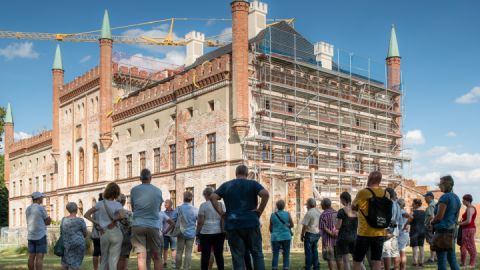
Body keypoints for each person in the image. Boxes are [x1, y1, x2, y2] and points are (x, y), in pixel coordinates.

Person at [210, 165, 269, 270]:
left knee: (237, 256)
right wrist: (259, 210)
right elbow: (265, 194)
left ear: (236, 173)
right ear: (247, 174)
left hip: (233, 225)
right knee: (257, 254)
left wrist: (222, 213)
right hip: (251, 222)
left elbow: (213, 197)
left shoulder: (227, 185)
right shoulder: (253, 184)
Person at [352, 171, 390, 270]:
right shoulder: (386, 194)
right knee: (376, 260)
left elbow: (353, 207)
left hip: (364, 232)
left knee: (357, 260)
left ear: (370, 179)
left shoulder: (363, 192)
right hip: (380, 232)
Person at [129, 168, 164, 270]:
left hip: (138, 224)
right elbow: (158, 209)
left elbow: (133, 208)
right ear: (150, 178)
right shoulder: (158, 191)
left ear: (140, 178)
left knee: (141, 258)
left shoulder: (134, 190)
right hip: (153, 225)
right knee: (157, 257)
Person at [85, 182, 124, 270]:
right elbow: (122, 216)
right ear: (116, 192)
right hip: (115, 232)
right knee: (113, 261)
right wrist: (114, 220)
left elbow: (86, 214)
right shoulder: (117, 204)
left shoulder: (100, 204)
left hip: (103, 232)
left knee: (104, 259)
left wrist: (97, 223)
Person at [431, 175, 461, 270]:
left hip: (442, 232)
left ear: (446, 185)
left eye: (440, 184)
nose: (439, 186)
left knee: (442, 262)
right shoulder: (457, 198)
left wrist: (431, 221)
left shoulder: (444, 197)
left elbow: (439, 216)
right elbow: (456, 217)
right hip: (452, 231)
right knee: (452, 260)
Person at [196, 187, 226, 270]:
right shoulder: (221, 204)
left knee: (205, 255)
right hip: (219, 232)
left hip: (206, 233)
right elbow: (224, 217)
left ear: (206, 195)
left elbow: (200, 222)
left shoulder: (203, 205)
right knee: (219, 255)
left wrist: (197, 232)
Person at [26, 192, 52, 270]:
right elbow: (47, 222)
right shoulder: (40, 208)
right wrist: (49, 219)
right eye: (41, 197)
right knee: (39, 257)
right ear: (38, 199)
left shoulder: (28, 208)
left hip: (30, 235)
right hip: (40, 235)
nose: (42, 199)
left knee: (31, 256)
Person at [173, 191, 198, 270]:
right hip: (191, 233)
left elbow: (172, 220)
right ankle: (186, 268)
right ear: (191, 199)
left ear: (183, 198)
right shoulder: (195, 209)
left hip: (181, 232)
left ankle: (177, 267)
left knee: (179, 252)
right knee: (188, 253)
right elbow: (199, 220)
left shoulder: (178, 208)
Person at [335, 192, 359, 270]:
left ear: (343, 200)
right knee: (358, 261)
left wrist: (335, 224)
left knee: (346, 261)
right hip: (354, 237)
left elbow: (338, 226)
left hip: (343, 238)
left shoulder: (341, 211)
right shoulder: (356, 210)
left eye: (340, 200)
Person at [61, 202, 87, 270]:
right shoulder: (80, 221)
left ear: (68, 210)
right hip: (78, 244)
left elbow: (62, 232)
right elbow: (85, 233)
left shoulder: (64, 220)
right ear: (76, 210)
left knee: (65, 263)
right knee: (76, 264)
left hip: (67, 244)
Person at [269, 199, 293, 270]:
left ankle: (274, 268)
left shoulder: (272, 215)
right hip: (286, 236)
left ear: (277, 206)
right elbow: (292, 225)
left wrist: (273, 232)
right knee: (286, 254)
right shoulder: (287, 214)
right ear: (284, 206)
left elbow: (270, 228)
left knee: (275, 254)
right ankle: (285, 267)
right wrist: (286, 226)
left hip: (275, 237)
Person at [381, 188, 401, 270]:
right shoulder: (397, 204)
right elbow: (398, 219)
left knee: (386, 253)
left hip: (388, 231)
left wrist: (388, 230)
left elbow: (389, 218)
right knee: (395, 253)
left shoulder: (388, 203)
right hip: (395, 231)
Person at [319, 198, 340, 270]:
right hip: (337, 240)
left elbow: (323, 228)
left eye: (321, 204)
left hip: (328, 241)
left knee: (330, 259)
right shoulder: (337, 213)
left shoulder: (323, 215)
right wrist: (336, 233)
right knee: (339, 259)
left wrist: (331, 233)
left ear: (324, 205)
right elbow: (340, 226)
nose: (320, 205)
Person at [301, 198, 321, 270]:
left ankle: (308, 266)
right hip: (317, 233)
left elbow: (305, 225)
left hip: (310, 234)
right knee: (315, 250)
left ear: (309, 205)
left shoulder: (309, 213)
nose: (306, 206)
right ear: (315, 204)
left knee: (308, 252)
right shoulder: (319, 212)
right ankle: (316, 266)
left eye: (307, 205)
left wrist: (302, 234)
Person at [459, 194, 477, 267]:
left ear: (467, 200)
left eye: (463, 200)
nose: (462, 201)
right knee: (463, 246)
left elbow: (468, 221)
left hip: (469, 229)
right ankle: (463, 263)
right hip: (466, 229)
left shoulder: (470, 208)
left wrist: (459, 223)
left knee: (470, 246)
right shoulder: (468, 208)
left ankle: (471, 264)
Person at [406, 198, 425, 267]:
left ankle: (415, 262)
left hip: (414, 231)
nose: (412, 205)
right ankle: (421, 262)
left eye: (413, 204)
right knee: (421, 247)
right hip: (422, 231)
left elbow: (409, 221)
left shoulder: (413, 212)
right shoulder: (424, 212)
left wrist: (405, 225)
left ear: (417, 204)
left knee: (415, 247)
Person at [117, 194, 133, 270]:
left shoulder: (110, 212)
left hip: (113, 236)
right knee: (123, 257)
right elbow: (131, 226)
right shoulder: (129, 213)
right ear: (124, 202)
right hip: (125, 237)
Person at [163, 199, 177, 269]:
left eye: (166, 203)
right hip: (164, 234)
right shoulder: (163, 213)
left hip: (173, 234)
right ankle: (164, 262)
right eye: (165, 203)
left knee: (173, 249)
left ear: (171, 204)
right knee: (165, 249)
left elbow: (175, 223)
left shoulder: (175, 212)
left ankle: (174, 262)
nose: (165, 204)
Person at [423, 191, 437, 264]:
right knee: (433, 241)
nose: (424, 198)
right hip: (433, 225)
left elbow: (431, 216)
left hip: (430, 226)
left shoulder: (431, 205)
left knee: (431, 242)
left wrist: (427, 223)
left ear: (430, 197)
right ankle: (435, 257)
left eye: (426, 197)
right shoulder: (435, 204)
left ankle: (432, 258)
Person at [396, 199, 409, 270]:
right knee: (401, 252)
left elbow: (410, 217)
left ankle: (401, 268)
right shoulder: (401, 211)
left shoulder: (401, 211)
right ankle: (401, 267)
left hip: (402, 234)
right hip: (402, 233)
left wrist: (405, 226)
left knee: (401, 252)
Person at [91, 193, 103, 270]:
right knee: (103, 253)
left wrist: (96, 224)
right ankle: (102, 268)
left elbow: (92, 218)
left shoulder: (95, 207)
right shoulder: (105, 207)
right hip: (103, 233)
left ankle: (95, 268)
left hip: (95, 233)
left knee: (96, 251)